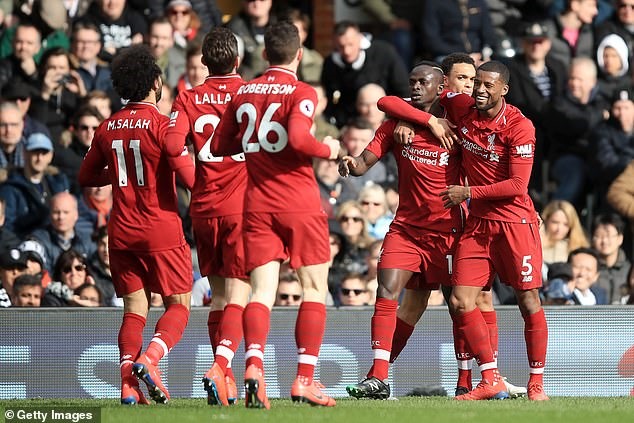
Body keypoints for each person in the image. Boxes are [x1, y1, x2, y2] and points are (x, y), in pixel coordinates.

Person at [375, 60, 549, 400]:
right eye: (475, 83)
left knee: (527, 300)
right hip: (478, 225)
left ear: (504, 90)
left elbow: (517, 184)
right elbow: (389, 102)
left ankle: (536, 382)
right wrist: (418, 119)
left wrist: (468, 193)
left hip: (515, 222)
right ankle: (489, 378)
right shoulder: (461, 106)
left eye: (486, 85)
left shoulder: (520, 127)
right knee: (460, 300)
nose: (478, 90)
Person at [212, 21, 340, 409]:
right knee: (314, 288)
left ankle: (254, 366)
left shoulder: (245, 91)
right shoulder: (301, 91)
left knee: (262, 293)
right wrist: (329, 150)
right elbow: (300, 139)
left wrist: (252, 143)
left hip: (257, 204)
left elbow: (219, 144)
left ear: (264, 54)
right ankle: (304, 380)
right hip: (299, 201)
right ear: (299, 55)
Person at [339, 61, 465, 399]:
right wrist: (352, 165)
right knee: (387, 291)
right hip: (407, 229)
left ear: (441, 88)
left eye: (423, 82)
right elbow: (367, 156)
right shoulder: (397, 124)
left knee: (458, 305)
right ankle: (378, 375)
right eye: (412, 81)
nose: (415, 87)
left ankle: (468, 379)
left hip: (447, 232)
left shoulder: (459, 124)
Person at [78, 44, 195, 405]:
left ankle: (128, 384)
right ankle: (151, 358)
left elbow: (85, 175)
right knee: (179, 305)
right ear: (156, 82)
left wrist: (115, 173)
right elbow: (187, 175)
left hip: (121, 230)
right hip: (160, 227)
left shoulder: (107, 127)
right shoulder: (163, 126)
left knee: (135, 309)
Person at [164, 26, 250, 407]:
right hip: (242, 206)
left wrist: (194, 180)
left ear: (203, 62)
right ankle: (220, 367)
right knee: (240, 293)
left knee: (218, 296)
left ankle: (226, 381)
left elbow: (171, 144)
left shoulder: (188, 97)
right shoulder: (250, 95)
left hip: (203, 207)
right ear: (237, 61)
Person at [320, 21, 409, 128]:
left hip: (386, 117)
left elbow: (403, 89)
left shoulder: (384, 53)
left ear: (360, 39)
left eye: (350, 44)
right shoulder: (331, 64)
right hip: (351, 122)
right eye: (341, 46)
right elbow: (330, 98)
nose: (347, 51)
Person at [591, 213, 631, 304]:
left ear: (620, 239)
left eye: (609, 236)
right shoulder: (588, 269)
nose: (604, 241)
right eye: (599, 236)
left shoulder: (629, 270)